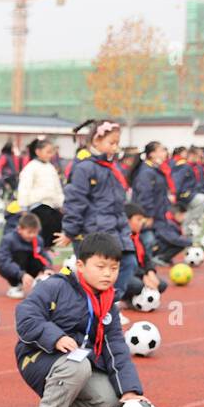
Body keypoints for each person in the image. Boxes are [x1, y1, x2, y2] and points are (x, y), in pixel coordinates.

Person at [15, 232, 143, 407]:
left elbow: (117, 349)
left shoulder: (107, 301)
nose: (108, 274)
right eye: (100, 267)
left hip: (75, 362)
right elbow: (26, 315)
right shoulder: (56, 286)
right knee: (78, 365)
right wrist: (55, 337)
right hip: (37, 356)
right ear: (81, 265)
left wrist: (130, 391)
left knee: (112, 399)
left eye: (114, 268)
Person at [59, 119, 137, 299]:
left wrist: (124, 227)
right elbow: (75, 201)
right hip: (94, 230)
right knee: (96, 274)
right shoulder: (85, 167)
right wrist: (70, 231)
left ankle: (109, 304)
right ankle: (98, 307)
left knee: (129, 263)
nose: (115, 147)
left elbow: (118, 203)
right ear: (96, 141)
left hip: (117, 228)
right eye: (111, 143)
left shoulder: (112, 167)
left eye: (117, 143)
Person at [15, 138, 64, 246]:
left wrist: (60, 204)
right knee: (45, 224)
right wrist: (23, 207)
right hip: (37, 205)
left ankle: (48, 248)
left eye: (52, 152)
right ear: (38, 152)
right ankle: (41, 248)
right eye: (48, 152)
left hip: (51, 204)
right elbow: (24, 187)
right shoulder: (31, 167)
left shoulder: (51, 168)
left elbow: (57, 188)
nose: (50, 155)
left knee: (57, 223)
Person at [0, 211, 52, 299]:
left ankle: (37, 284)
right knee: (8, 259)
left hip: (28, 268)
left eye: (35, 232)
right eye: (29, 232)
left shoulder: (38, 240)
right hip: (15, 269)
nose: (32, 235)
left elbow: (43, 256)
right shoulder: (9, 239)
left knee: (37, 256)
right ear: (19, 229)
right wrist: (21, 274)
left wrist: (48, 268)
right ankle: (15, 285)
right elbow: (3, 261)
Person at [122, 203, 167, 303]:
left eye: (142, 219)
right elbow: (127, 264)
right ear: (127, 220)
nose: (141, 222)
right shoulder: (122, 239)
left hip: (139, 273)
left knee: (161, 284)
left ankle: (135, 299)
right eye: (138, 219)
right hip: (125, 274)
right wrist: (143, 276)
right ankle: (124, 300)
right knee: (137, 285)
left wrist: (150, 272)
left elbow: (146, 257)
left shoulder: (138, 237)